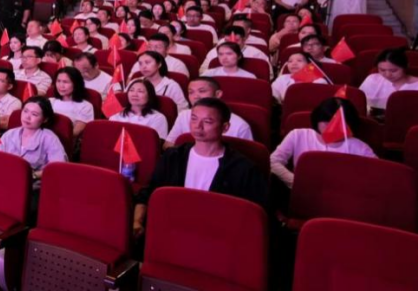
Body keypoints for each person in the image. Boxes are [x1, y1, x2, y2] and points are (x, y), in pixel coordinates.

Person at [133, 98, 269, 238]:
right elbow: (149, 192)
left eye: (207, 121)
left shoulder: (243, 168)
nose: (198, 126)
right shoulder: (173, 157)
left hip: (218, 236)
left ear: (225, 127)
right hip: (172, 229)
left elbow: (254, 215)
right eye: (194, 119)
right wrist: (137, 222)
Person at [270, 98, 376, 189]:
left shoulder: (359, 147)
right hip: (302, 192)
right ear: (317, 119)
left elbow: (377, 173)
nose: (331, 127)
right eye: (326, 121)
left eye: (339, 124)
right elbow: (273, 161)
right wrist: (296, 181)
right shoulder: (298, 135)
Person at [165, 77, 253, 146]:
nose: (195, 96)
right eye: (191, 92)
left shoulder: (240, 125)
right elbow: (169, 144)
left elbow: (245, 157)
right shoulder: (183, 115)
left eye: (202, 91)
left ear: (218, 94)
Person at [0, 97, 68, 174]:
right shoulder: (9, 134)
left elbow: (58, 167)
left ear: (45, 119)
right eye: (25, 111)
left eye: (34, 114)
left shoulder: (49, 138)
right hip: (6, 175)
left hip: (34, 180)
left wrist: (35, 175)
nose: (27, 117)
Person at [359, 48, 418, 113]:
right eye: (382, 70)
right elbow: (359, 103)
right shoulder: (372, 79)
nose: (388, 75)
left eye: (393, 70)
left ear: (406, 66)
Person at [49, 67, 94, 137]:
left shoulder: (86, 106)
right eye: (58, 81)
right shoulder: (50, 101)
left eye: (65, 82)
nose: (61, 86)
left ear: (76, 84)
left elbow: (74, 133)